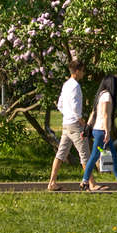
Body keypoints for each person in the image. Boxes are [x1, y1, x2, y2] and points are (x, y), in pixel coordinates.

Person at [47, 60, 105, 191]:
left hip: (66, 124)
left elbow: (60, 104)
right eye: (83, 71)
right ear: (77, 71)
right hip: (75, 124)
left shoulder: (66, 85)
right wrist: (80, 120)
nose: (83, 73)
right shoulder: (75, 86)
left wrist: (67, 114)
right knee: (85, 154)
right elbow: (75, 105)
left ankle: (52, 182)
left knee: (60, 154)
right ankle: (92, 184)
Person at [80, 75, 117, 191]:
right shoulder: (107, 96)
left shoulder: (100, 95)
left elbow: (93, 113)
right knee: (95, 156)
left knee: (113, 156)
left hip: (99, 131)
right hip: (102, 131)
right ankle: (85, 181)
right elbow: (106, 115)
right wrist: (107, 132)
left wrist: (86, 128)